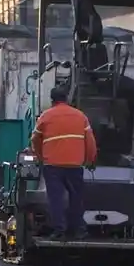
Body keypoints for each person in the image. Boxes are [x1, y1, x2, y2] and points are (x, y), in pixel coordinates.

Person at [31, 86, 98, 241]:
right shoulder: (80, 116)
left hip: (52, 165)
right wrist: (90, 160)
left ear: (52, 100)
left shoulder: (45, 116)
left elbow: (34, 139)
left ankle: (59, 231)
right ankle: (79, 230)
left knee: (56, 199)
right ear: (66, 99)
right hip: (75, 165)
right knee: (76, 198)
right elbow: (90, 142)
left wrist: (40, 157)